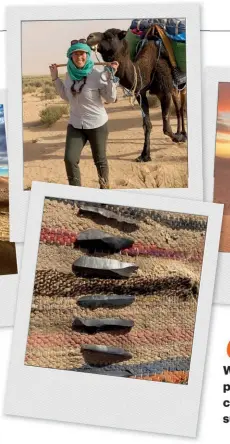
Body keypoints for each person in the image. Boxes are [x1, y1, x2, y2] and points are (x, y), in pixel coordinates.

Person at [49, 39, 119, 189]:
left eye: (82, 54)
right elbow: (66, 96)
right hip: (75, 123)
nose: (79, 57)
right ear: (70, 57)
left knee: (100, 160)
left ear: (87, 55)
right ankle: (77, 195)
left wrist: (111, 78)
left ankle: (105, 192)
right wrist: (55, 78)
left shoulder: (98, 74)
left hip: (97, 124)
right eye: (75, 54)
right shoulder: (69, 74)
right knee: (70, 159)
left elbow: (111, 99)